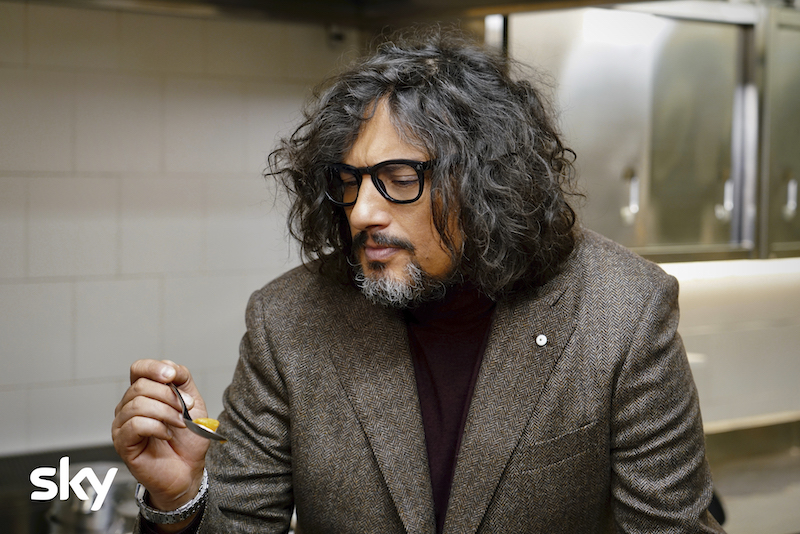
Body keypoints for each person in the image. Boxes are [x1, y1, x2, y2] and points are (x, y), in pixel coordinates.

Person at [112, 27, 725, 534]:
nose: (361, 213)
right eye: (349, 182)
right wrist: (180, 500)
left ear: (486, 179)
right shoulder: (287, 320)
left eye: (399, 179)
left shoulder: (623, 311)